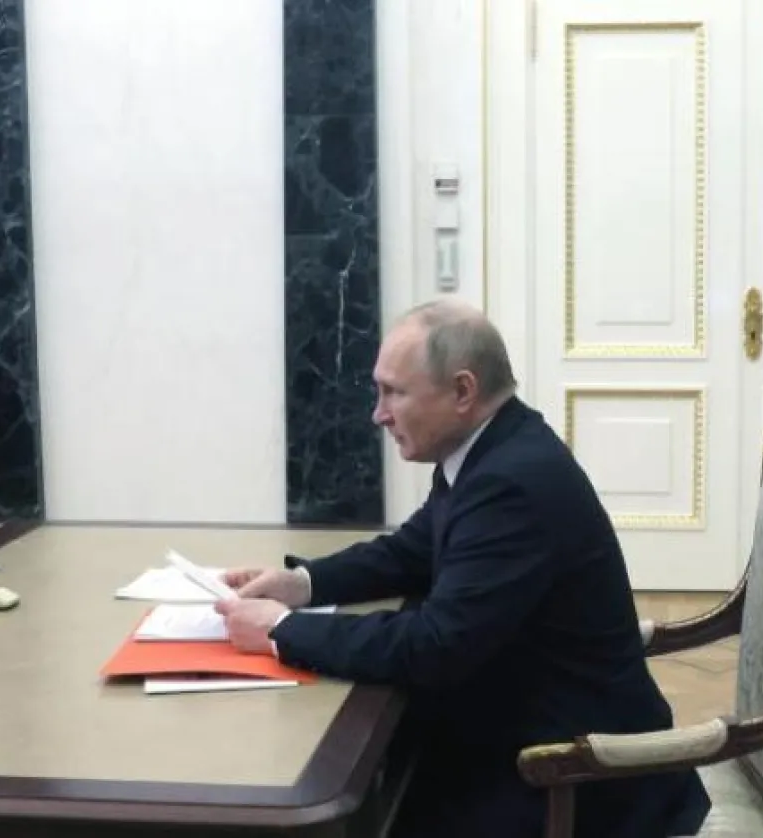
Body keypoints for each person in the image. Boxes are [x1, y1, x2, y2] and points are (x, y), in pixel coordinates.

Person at [215, 298, 711, 837]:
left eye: (394, 393)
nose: (378, 414)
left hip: (570, 779)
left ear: (462, 391)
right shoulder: (491, 449)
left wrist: (282, 631)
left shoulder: (511, 482)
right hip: (520, 730)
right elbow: (411, 551)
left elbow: (436, 646)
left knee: (356, 792)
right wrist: (302, 584)